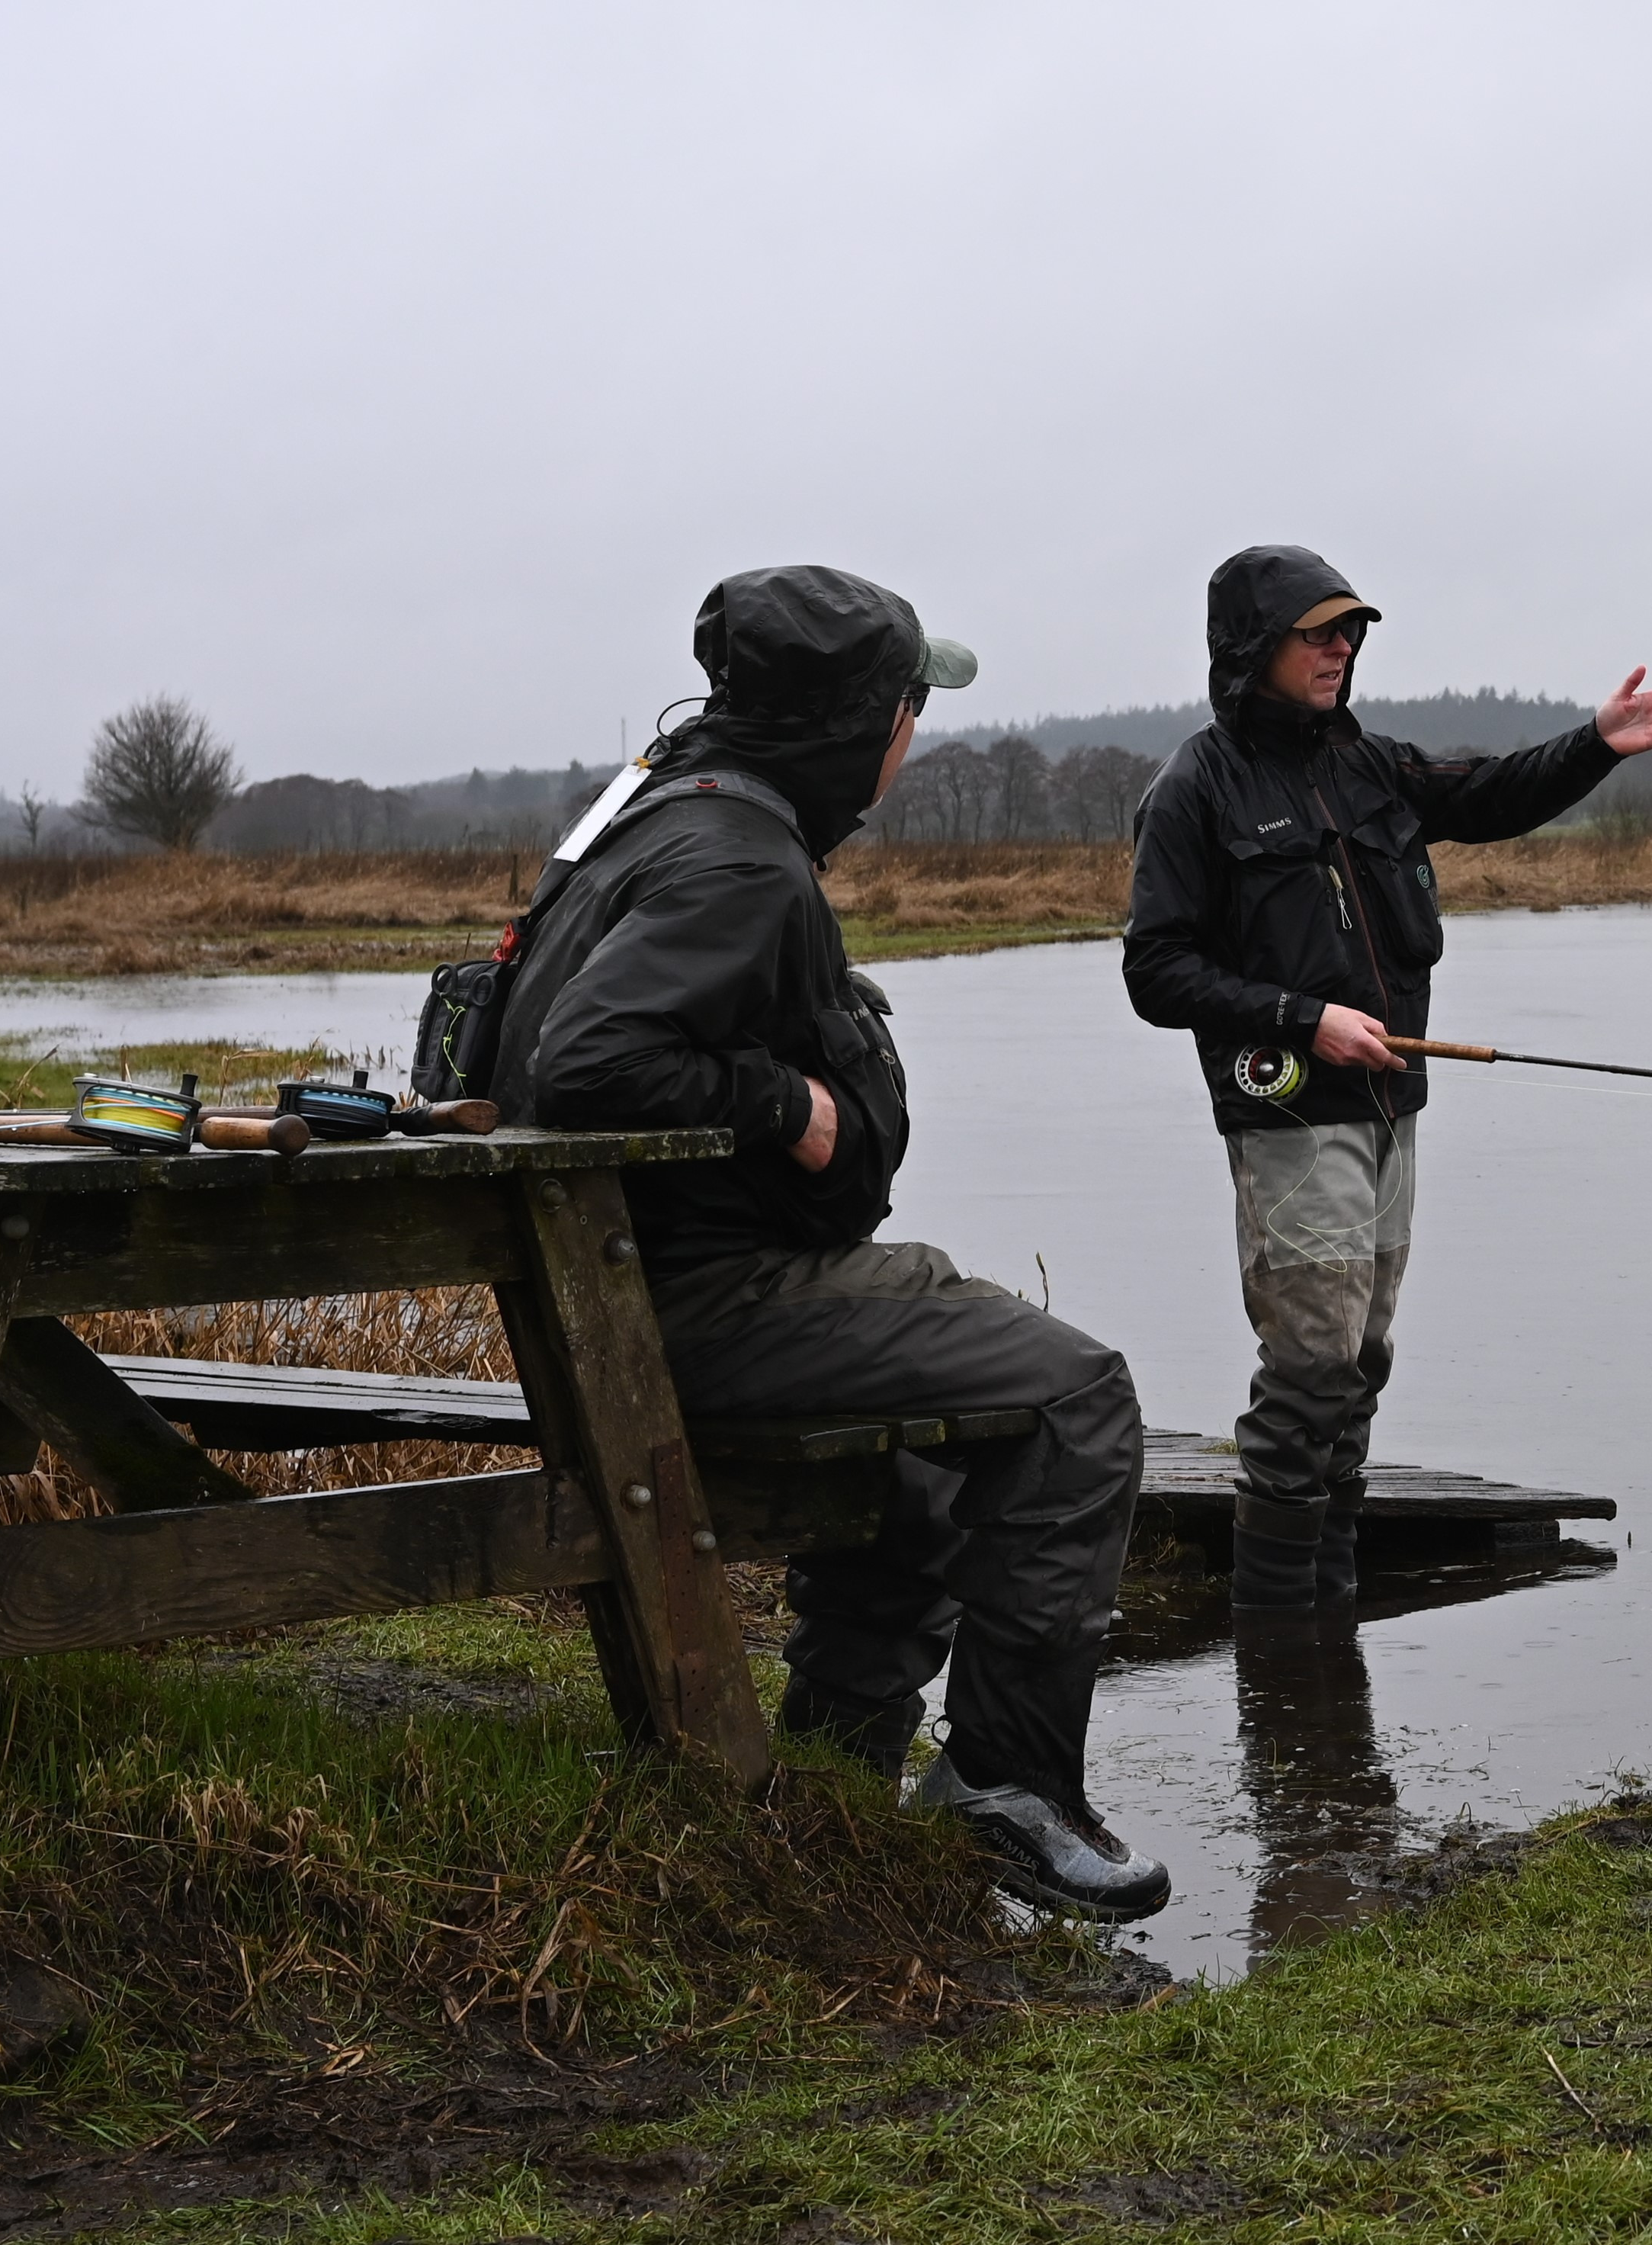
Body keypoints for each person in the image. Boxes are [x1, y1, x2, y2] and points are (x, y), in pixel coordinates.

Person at [496, 564, 1169, 1919]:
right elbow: (586, 1063)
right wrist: (789, 1103)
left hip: (633, 1295)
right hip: (695, 1305)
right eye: (910, 706)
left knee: (914, 1483)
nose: (915, 738)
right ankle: (1009, 1783)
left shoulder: (653, 815)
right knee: (1076, 1394)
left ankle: (828, 1781)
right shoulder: (733, 859)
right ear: (860, 722)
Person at [1119, 545, 1652, 1609]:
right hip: (1290, 1112)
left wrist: (1595, 746)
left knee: (1363, 1362)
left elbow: (1486, 795)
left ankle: (1329, 1616)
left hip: (1393, 1106)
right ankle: (1280, 1634)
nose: (1341, 647)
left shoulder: (1367, 763)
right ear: (1256, 647)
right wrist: (1305, 1021)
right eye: (1319, 631)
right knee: (1310, 1373)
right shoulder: (1194, 788)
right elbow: (1156, 972)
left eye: (1351, 631)